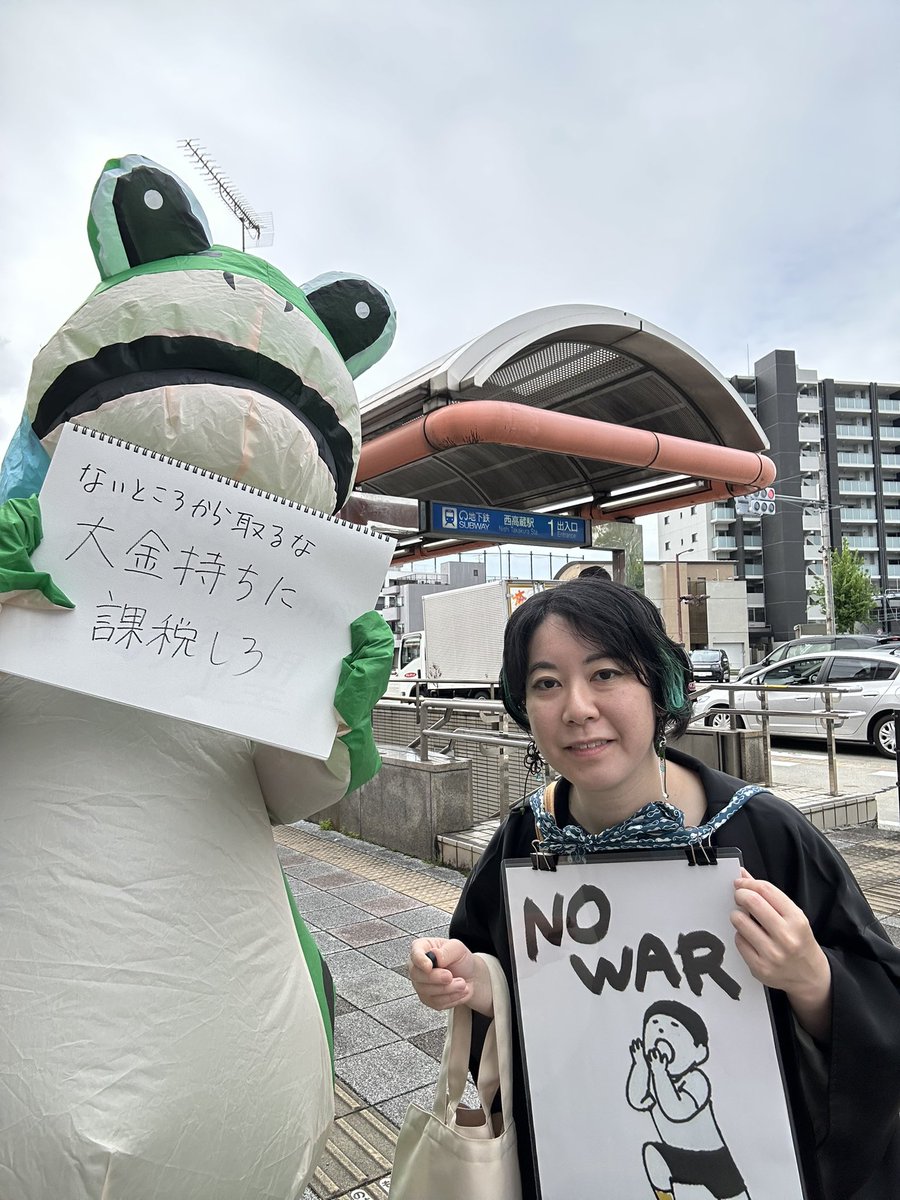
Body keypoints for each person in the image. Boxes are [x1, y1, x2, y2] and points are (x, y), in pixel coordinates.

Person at [408, 577, 900, 1200]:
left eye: (606, 673)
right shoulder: (524, 841)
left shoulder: (761, 832)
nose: (577, 708)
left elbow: (881, 1007)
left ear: (659, 684)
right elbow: (505, 984)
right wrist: (473, 982)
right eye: (546, 684)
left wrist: (813, 980)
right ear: (522, 705)